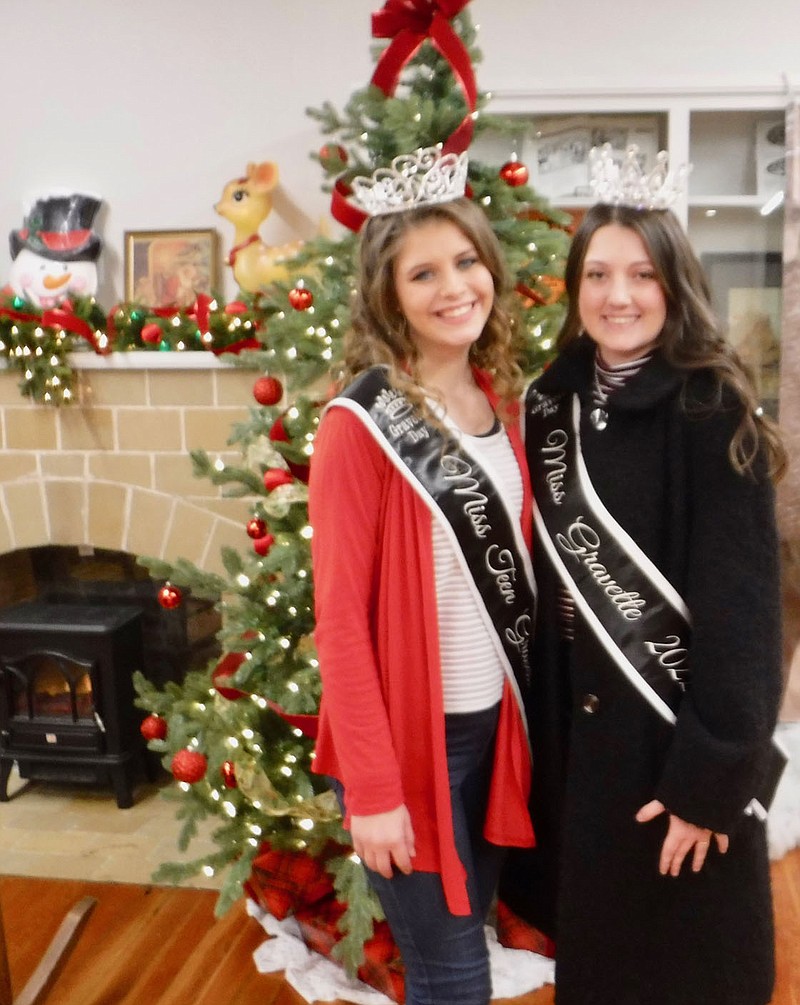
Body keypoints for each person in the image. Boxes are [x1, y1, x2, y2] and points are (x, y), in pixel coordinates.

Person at [502, 146, 788, 1005]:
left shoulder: (711, 407)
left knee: (688, 971)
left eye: (640, 274)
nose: (617, 295)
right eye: (596, 273)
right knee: (600, 970)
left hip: (674, 754)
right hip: (582, 755)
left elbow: (745, 625)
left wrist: (706, 786)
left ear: (674, 285)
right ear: (573, 285)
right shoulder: (548, 400)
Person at [308, 147, 536, 1005]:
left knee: (468, 933)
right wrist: (371, 789)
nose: (455, 286)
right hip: (408, 747)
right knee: (452, 977)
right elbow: (338, 621)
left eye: (467, 261)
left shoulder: (497, 407)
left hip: (488, 733)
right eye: (424, 272)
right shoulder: (358, 427)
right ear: (388, 296)